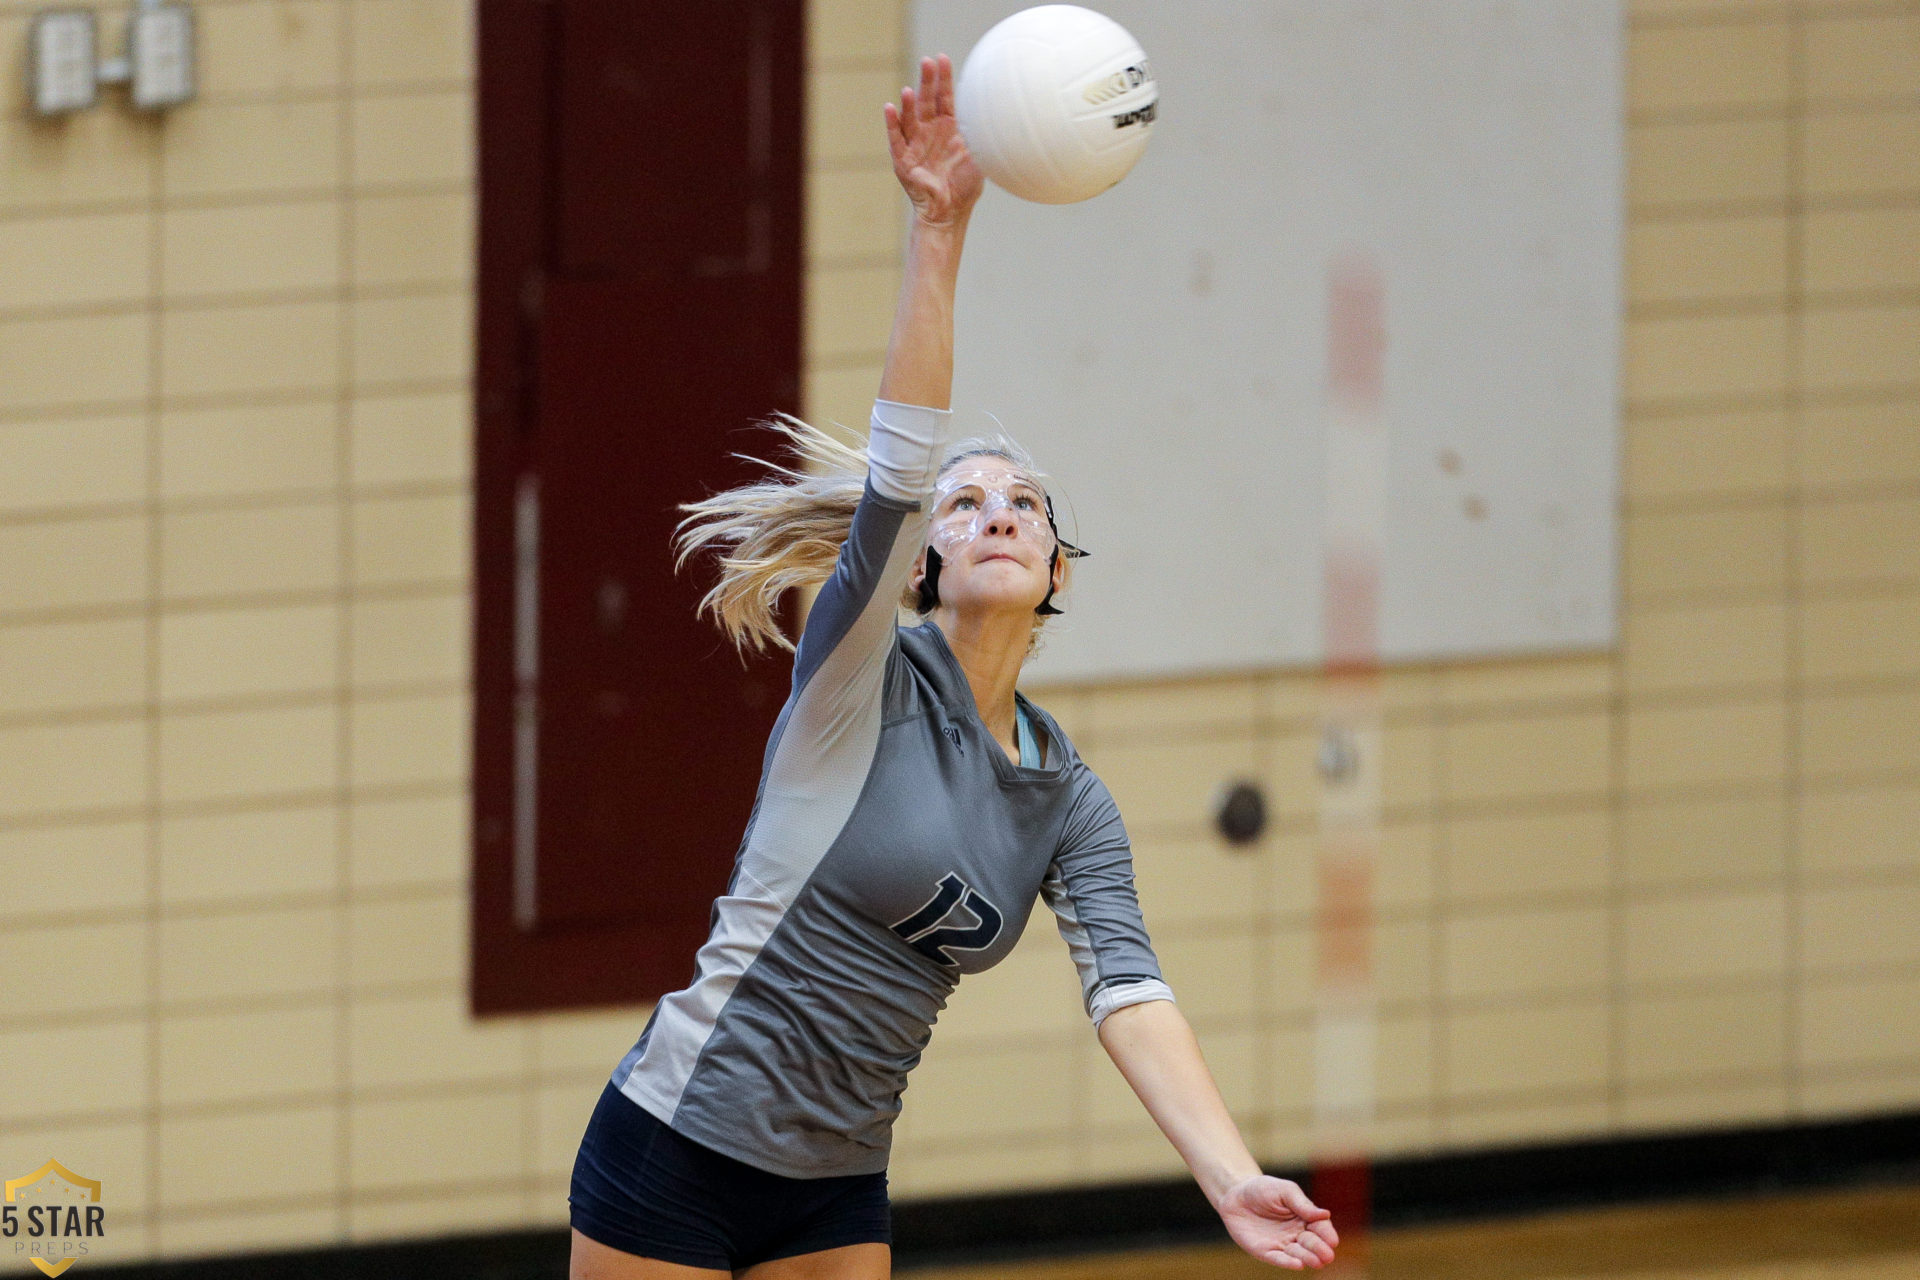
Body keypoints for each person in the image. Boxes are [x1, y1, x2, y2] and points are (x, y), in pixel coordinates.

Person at [568, 53, 1340, 1280]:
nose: (994, 513)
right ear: (919, 565)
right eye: (965, 502)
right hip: (677, 1143)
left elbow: (1129, 995)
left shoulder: (1067, 795)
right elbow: (897, 465)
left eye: (1024, 503)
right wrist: (939, 230)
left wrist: (1229, 1171)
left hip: (835, 1183)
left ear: (1057, 570)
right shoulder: (859, 679)